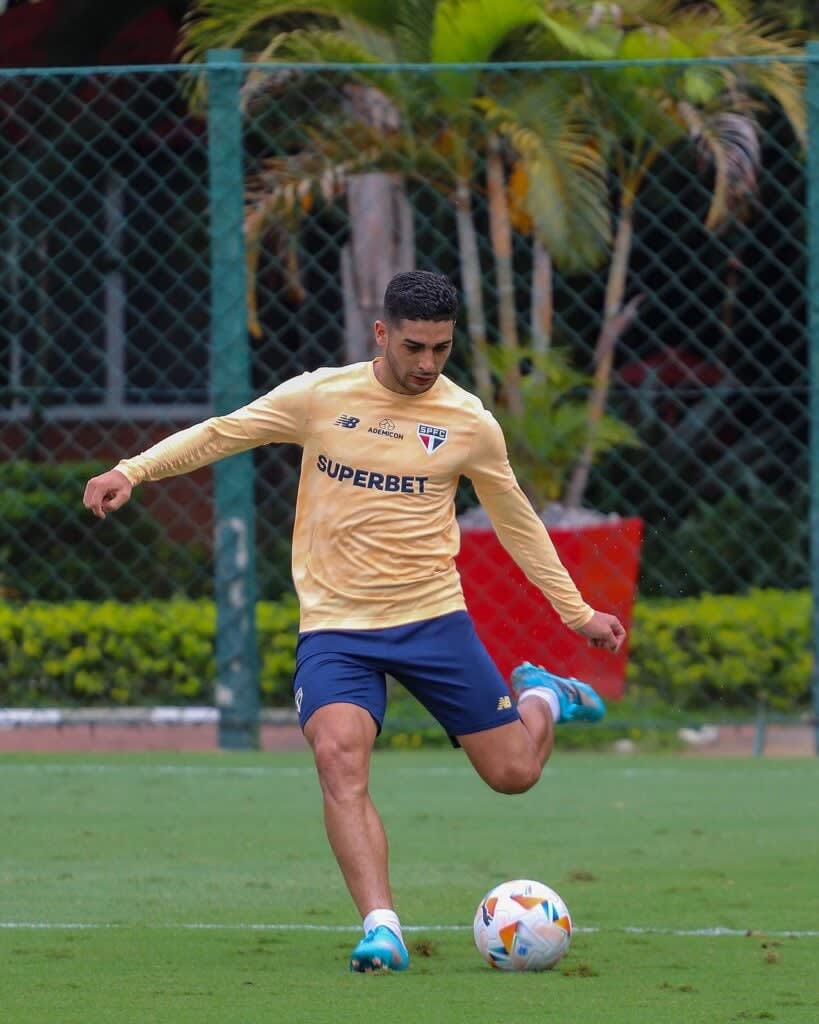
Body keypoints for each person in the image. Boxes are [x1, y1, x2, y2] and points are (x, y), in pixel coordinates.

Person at [83, 270, 625, 973]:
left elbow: (516, 522)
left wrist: (576, 613)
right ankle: (382, 928)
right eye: (413, 347)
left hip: (432, 620)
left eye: (440, 348)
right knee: (338, 756)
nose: (426, 363)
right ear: (381, 334)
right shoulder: (320, 396)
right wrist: (135, 469)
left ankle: (543, 696)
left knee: (514, 774)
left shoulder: (468, 422)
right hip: (337, 628)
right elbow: (225, 432)